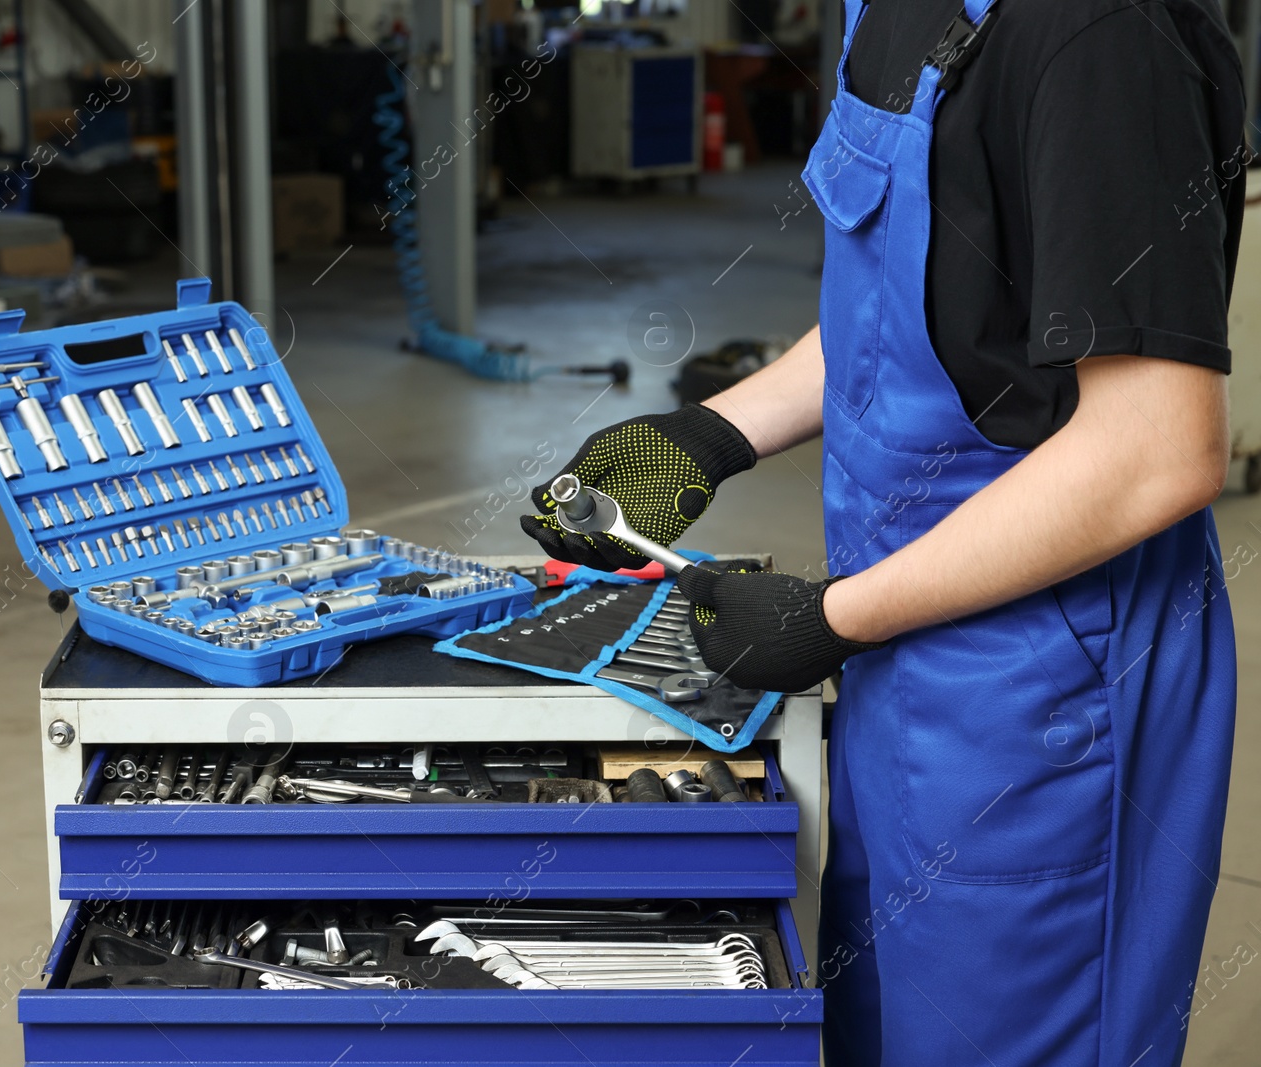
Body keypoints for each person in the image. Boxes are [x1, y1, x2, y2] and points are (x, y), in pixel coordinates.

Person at [522, 0, 1245, 1064]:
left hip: (1049, 687)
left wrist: (831, 616)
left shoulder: (1099, 39)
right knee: (882, 1030)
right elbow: (927, 311)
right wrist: (710, 433)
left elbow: (1155, 448)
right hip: (899, 648)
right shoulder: (891, 8)